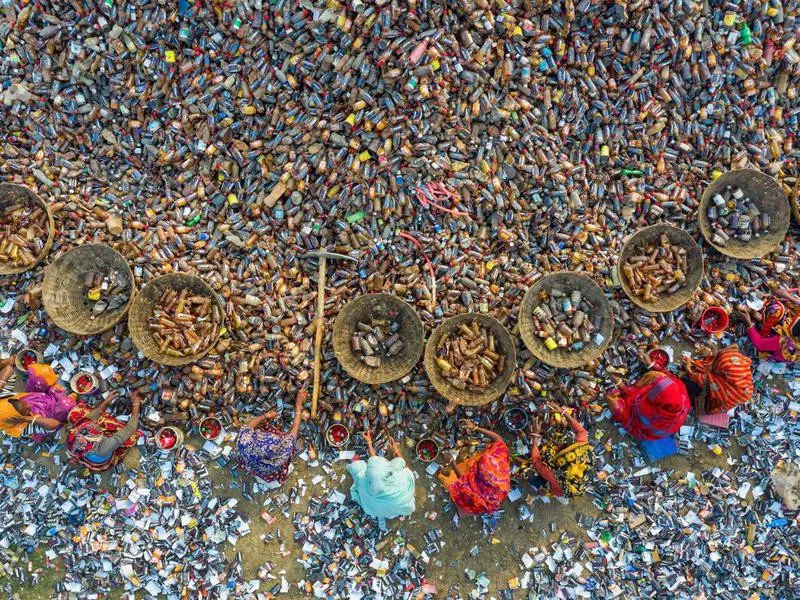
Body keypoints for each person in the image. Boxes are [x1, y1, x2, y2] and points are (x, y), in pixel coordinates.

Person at [438, 420, 510, 515]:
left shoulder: (480, 492)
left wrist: (452, 462)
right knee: (468, 465)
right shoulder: (498, 459)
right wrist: (475, 428)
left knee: (449, 481)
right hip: (488, 488)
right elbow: (498, 439)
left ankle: (463, 506)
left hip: (480, 498)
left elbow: (464, 482)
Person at [237, 388, 307, 484]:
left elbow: (249, 425)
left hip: (253, 464)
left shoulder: (244, 443)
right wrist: (299, 405)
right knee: (288, 449)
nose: (271, 434)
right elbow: (295, 430)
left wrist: (266, 415)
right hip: (269, 469)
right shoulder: (283, 452)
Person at [524, 403, 593, 498]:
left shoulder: (553, 474)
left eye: (558, 450)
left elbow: (536, 460)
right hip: (575, 477)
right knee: (560, 435)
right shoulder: (581, 451)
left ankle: (544, 490)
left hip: (559, 487)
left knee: (527, 471)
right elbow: (582, 432)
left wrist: (535, 435)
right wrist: (563, 412)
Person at [347, 430, 416, 520]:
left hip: (371, 506)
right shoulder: (403, 479)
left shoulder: (374, 478)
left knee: (357, 468)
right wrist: (396, 450)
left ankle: (349, 467)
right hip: (391, 510)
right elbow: (404, 465)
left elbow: (373, 460)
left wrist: (369, 442)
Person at [66, 390, 142, 472]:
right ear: (98, 439)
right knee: (131, 438)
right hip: (100, 455)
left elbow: (91, 417)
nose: (95, 425)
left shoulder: (74, 435)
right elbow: (130, 428)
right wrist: (136, 404)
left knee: (75, 414)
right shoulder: (104, 448)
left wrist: (107, 401)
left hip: (85, 452)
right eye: (96, 428)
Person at [606, 370, 691, 441]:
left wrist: (621, 386)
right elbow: (663, 380)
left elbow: (630, 417)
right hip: (659, 404)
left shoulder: (650, 415)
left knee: (616, 406)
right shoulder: (680, 394)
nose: (650, 391)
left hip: (644, 429)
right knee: (657, 377)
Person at [0, 362, 76, 440]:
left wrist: (1, 384)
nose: (29, 405)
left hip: (36, 396)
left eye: (24, 403)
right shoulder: (20, 426)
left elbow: (9, 368)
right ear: (19, 417)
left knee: (38, 373)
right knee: (65, 405)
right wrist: (28, 419)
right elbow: (54, 425)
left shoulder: (3, 399)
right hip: (51, 415)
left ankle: (59, 393)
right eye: (26, 410)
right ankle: (70, 396)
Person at [681, 345, 754, 416]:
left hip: (711, 401)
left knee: (684, 382)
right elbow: (715, 362)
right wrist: (694, 362)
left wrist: (689, 369)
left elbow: (704, 380)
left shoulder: (733, 390)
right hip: (722, 384)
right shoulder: (737, 366)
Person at [738, 289, 800, 362]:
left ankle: (758, 318)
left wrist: (748, 322)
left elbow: (760, 343)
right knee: (787, 304)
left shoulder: (786, 344)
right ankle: (761, 316)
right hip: (787, 329)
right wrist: (789, 297)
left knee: (776, 308)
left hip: (772, 343)